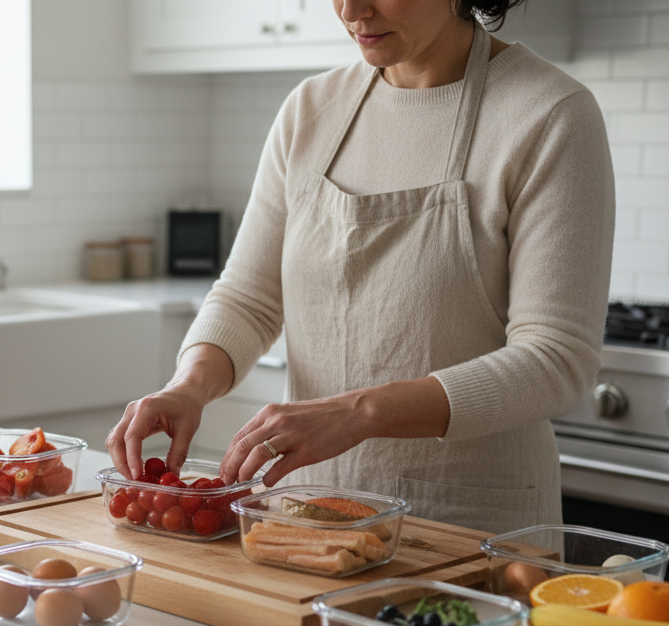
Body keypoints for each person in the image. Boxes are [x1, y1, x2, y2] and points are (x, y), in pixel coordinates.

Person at [106, 0, 614, 535]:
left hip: (469, 527)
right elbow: (249, 297)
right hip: (309, 510)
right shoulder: (311, 110)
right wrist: (189, 386)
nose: (352, 10)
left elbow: (556, 359)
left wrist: (359, 414)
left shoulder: (549, 114)